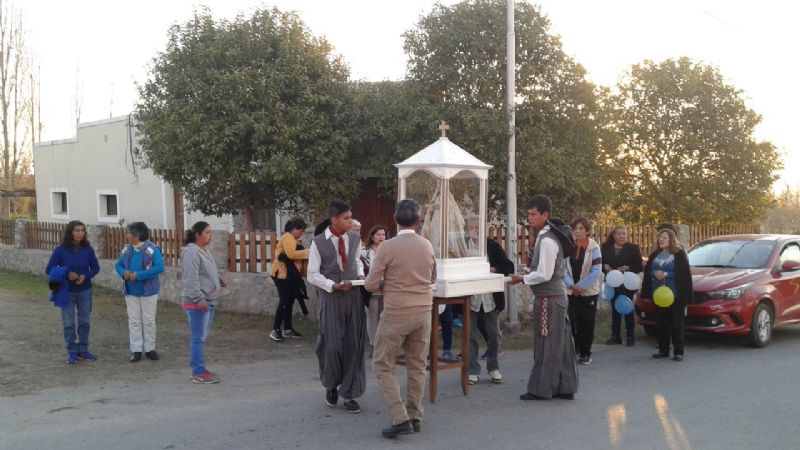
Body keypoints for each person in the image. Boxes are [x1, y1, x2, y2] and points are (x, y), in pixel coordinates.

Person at [365, 199, 436, 439]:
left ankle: (400, 417)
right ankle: (415, 416)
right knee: (417, 365)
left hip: (396, 313)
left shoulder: (387, 247)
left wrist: (387, 283)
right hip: (423, 311)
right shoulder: (426, 245)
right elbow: (432, 277)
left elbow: (371, 284)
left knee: (382, 364)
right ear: (418, 221)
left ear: (395, 219)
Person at [511, 195, 578, 400]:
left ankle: (541, 389)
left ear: (545, 214)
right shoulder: (546, 237)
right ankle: (565, 386)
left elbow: (544, 274)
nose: (530, 218)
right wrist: (526, 273)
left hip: (549, 298)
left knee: (546, 343)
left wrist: (522, 278)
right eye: (529, 214)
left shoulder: (548, 240)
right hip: (555, 297)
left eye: (533, 214)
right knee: (561, 343)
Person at [308, 200, 366, 414]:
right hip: (330, 299)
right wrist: (332, 285)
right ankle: (331, 385)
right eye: (346, 218)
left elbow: (357, 261)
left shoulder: (355, 238)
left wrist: (360, 275)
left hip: (353, 297)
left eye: (351, 217)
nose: (350, 221)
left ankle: (349, 394)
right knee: (331, 345)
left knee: (353, 345)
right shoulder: (318, 242)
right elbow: (312, 274)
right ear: (334, 219)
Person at [45, 220, 101, 364]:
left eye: (82, 230)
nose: (80, 233)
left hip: (85, 290)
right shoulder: (60, 250)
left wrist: (85, 276)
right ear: (70, 232)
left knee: (84, 322)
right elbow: (49, 269)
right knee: (69, 323)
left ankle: (83, 349)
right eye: (77, 230)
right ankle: (72, 351)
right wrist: (66, 273)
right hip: (66, 291)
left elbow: (96, 268)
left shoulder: (88, 249)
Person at [181, 221, 228, 384]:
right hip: (197, 303)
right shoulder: (191, 253)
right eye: (207, 232)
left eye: (211, 232)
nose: (210, 235)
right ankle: (198, 372)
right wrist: (199, 299)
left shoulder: (203, 251)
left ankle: (199, 369)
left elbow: (205, 272)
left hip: (207, 300)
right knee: (198, 338)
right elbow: (191, 279)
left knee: (201, 337)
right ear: (197, 235)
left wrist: (218, 279)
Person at [464, 216, 508, 385]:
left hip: (490, 298)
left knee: (494, 335)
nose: (475, 231)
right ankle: (472, 370)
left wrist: (492, 269)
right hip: (470, 298)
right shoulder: (463, 245)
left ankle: (493, 368)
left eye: (478, 227)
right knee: (470, 336)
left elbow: (508, 266)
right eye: (472, 228)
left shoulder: (492, 245)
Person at [114, 222, 165, 363]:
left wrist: (138, 275)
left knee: (149, 321)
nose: (127, 235)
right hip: (131, 291)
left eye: (129, 233)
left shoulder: (152, 249)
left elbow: (159, 267)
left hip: (148, 291)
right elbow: (118, 265)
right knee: (134, 321)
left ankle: (150, 349)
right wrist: (124, 273)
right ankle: (136, 350)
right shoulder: (127, 249)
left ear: (137, 235)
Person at [642, 228, 692, 361]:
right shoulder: (654, 255)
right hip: (658, 294)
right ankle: (663, 350)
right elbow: (648, 271)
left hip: (675, 294)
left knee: (676, 323)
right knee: (661, 322)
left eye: (664, 237)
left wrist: (666, 274)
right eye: (659, 237)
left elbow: (683, 274)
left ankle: (678, 351)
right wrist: (654, 273)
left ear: (671, 239)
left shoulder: (679, 254)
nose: (661, 240)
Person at [565, 218, 602, 365]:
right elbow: (562, 268)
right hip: (571, 291)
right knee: (571, 322)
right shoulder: (568, 246)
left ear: (587, 231)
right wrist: (571, 285)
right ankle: (574, 349)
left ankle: (585, 353)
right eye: (575, 228)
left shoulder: (594, 247)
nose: (578, 231)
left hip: (588, 292)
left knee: (586, 323)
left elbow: (596, 271)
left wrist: (581, 287)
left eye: (581, 228)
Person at [601, 226, 643, 346]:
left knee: (627, 308)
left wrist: (628, 267)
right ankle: (615, 336)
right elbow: (600, 262)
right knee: (615, 309)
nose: (622, 236)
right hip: (612, 282)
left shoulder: (633, 248)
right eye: (619, 234)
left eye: (624, 234)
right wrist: (605, 267)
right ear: (614, 235)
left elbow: (639, 266)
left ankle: (630, 337)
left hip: (627, 283)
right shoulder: (606, 247)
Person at [270, 218, 310, 342]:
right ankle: (275, 329)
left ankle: (287, 328)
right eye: (301, 231)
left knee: (289, 302)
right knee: (284, 301)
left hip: (289, 275)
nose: (302, 234)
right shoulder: (287, 237)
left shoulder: (293, 239)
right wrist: (308, 252)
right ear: (294, 229)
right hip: (281, 275)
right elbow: (291, 254)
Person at [361, 224, 387, 347]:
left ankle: (383, 343)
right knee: (372, 316)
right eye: (378, 234)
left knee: (385, 317)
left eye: (383, 234)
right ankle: (373, 344)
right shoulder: (364, 252)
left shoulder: (389, 251)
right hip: (371, 290)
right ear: (372, 236)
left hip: (386, 289)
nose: (381, 237)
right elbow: (361, 269)